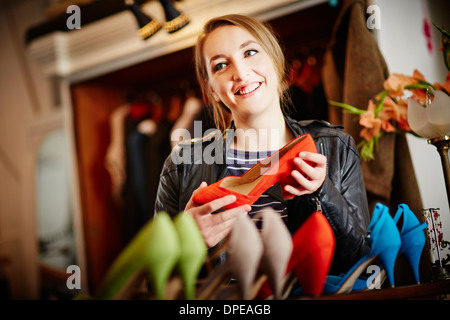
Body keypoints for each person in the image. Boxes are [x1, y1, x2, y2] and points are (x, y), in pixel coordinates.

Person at [154, 14, 370, 276]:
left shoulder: (336, 147)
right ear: (211, 90)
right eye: (221, 65)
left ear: (276, 61)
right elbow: (161, 282)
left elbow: (359, 259)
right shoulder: (181, 165)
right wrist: (186, 242)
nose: (241, 72)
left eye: (251, 52)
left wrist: (322, 192)